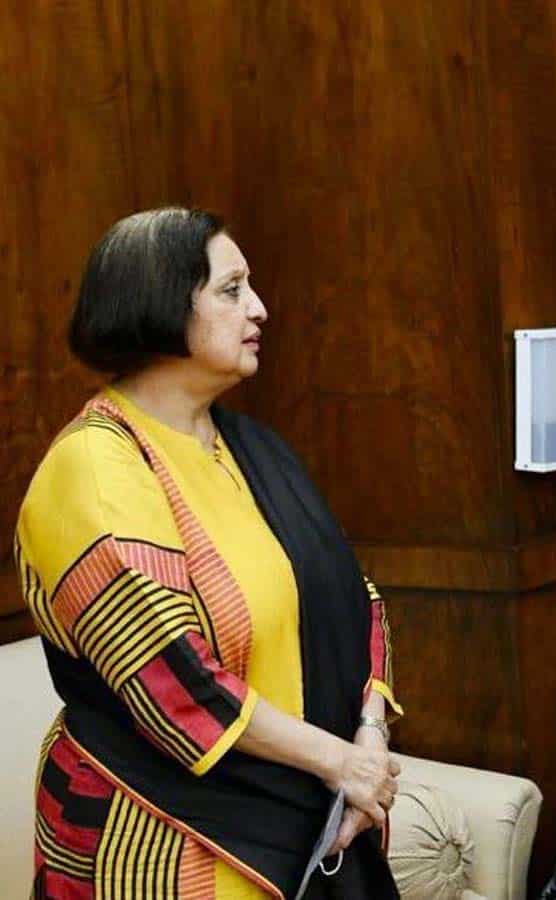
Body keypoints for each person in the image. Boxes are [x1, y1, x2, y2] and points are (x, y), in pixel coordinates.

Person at [16, 208, 404, 898]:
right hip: (158, 837)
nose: (258, 308)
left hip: (302, 818)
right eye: (231, 290)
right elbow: (175, 683)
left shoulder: (249, 447)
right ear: (160, 304)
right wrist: (341, 764)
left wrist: (370, 732)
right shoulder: (95, 471)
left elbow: (355, 598)